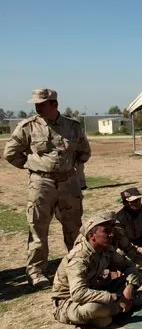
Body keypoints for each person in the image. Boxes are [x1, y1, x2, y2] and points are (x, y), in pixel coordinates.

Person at [3, 88, 91, 289]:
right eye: (36, 103)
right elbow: (10, 153)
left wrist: (70, 167)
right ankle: (36, 272)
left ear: (54, 105)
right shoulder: (28, 127)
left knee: (74, 227)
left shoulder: (73, 126)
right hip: (41, 184)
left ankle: (76, 265)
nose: (37, 107)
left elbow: (84, 152)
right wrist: (33, 166)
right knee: (38, 228)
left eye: (42, 103)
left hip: (68, 183)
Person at [51, 212, 142, 328]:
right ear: (92, 236)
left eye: (112, 230)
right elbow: (78, 293)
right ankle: (125, 305)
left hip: (95, 289)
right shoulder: (78, 259)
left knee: (138, 276)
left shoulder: (106, 249)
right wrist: (113, 297)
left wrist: (130, 287)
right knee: (95, 308)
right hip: (69, 302)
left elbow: (129, 266)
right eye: (106, 231)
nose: (111, 235)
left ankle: (118, 307)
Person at [114, 187, 142, 260]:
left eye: (138, 200)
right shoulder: (119, 218)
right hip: (125, 245)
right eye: (133, 201)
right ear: (125, 203)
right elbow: (121, 240)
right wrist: (138, 249)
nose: (137, 203)